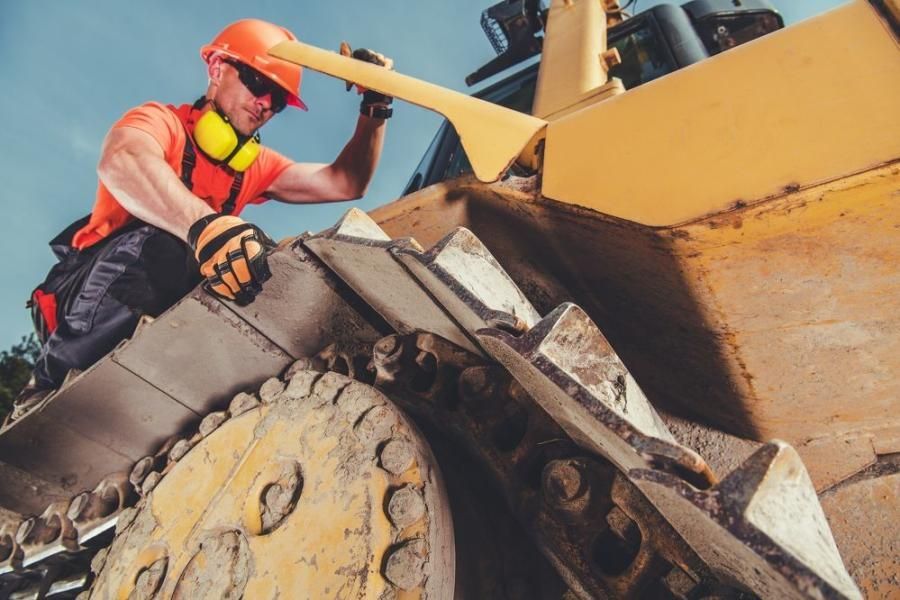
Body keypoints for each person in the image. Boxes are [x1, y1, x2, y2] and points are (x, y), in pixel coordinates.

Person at [7, 19, 393, 423]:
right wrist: (203, 226)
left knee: (259, 255)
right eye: (257, 83)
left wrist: (375, 109)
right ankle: (43, 390)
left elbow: (345, 181)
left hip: (167, 303)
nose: (264, 103)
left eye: (277, 99)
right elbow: (122, 159)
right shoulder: (163, 122)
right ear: (217, 69)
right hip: (89, 295)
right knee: (168, 244)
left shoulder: (252, 166)